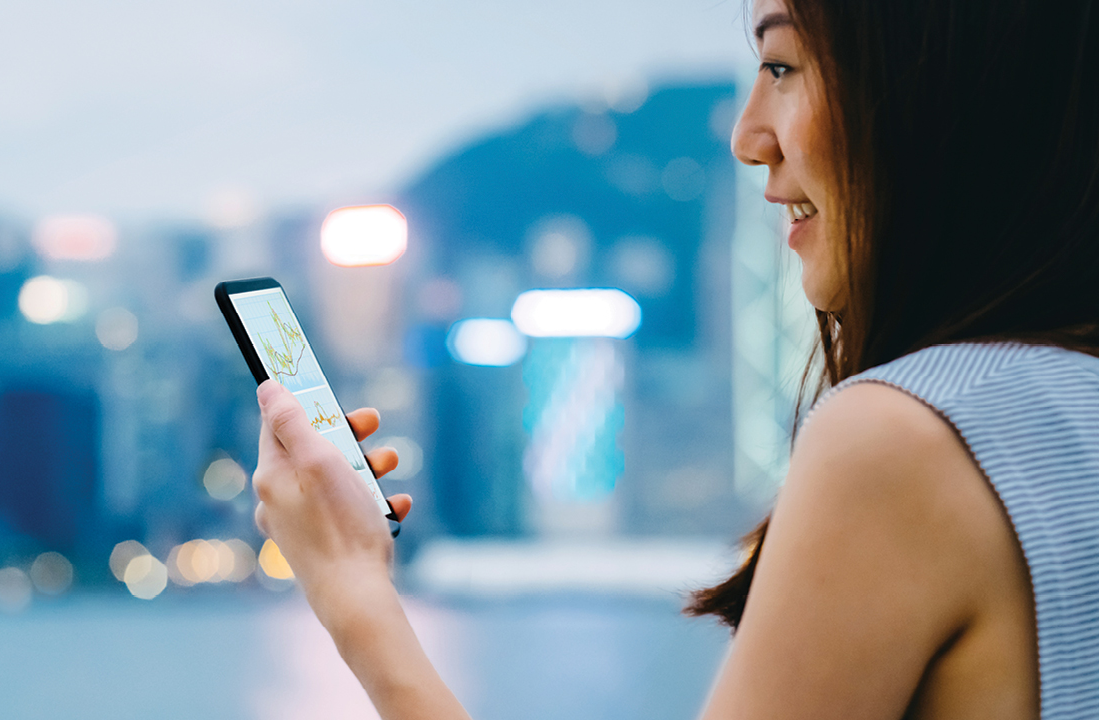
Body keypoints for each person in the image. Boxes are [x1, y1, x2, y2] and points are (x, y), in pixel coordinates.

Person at [248, 0, 1099, 716]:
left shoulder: (905, 444)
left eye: (783, 66)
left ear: (935, 91)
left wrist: (353, 596)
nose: (747, 136)